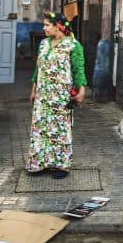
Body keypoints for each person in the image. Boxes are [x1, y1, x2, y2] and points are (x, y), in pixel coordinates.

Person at [27, 11, 86, 179]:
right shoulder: (44, 44)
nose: (43, 28)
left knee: (60, 130)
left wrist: (81, 91)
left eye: (47, 25)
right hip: (42, 96)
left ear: (58, 26)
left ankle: (62, 165)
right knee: (41, 128)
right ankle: (41, 163)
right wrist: (33, 89)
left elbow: (79, 70)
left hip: (60, 97)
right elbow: (38, 69)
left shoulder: (73, 45)